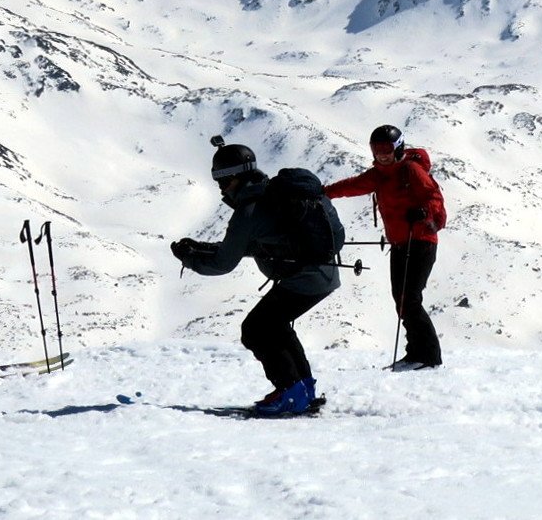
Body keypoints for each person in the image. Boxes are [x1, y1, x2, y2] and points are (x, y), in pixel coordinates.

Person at [171, 137, 340, 416]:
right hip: (323, 272)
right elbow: (254, 244)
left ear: (235, 177)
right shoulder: (271, 196)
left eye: (222, 181)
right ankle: (303, 389)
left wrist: (189, 258)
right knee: (276, 326)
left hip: (306, 278)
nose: (221, 188)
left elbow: (224, 263)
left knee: (256, 329)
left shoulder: (249, 211)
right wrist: (201, 248)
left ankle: (291, 393)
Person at [326, 124, 447, 370]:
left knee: (409, 298)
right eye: (377, 148)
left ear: (398, 147)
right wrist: (323, 193)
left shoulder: (411, 170)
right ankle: (415, 354)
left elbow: (434, 197)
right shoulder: (379, 174)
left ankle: (428, 356)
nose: (382, 153)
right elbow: (353, 186)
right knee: (401, 300)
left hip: (421, 240)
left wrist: (425, 214)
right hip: (400, 243)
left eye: (387, 148)